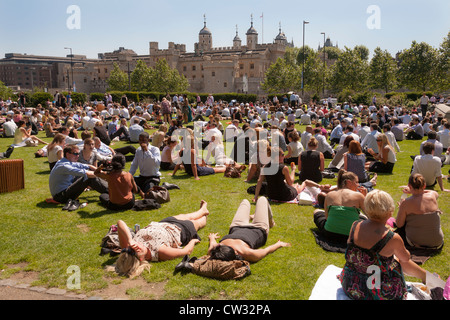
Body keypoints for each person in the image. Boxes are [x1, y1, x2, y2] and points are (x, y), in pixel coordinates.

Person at [338, 189, 429, 300]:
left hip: (351, 285)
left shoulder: (355, 225)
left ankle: (425, 276)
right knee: (397, 258)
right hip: (378, 292)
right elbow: (406, 258)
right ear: (390, 211)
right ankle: (426, 276)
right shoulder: (391, 238)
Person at [112, 201, 209, 278]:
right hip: (181, 230)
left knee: (189, 215)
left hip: (163, 223)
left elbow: (120, 222)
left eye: (129, 249)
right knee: (200, 222)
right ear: (141, 259)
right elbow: (185, 251)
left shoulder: (130, 247)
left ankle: (203, 209)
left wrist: (129, 240)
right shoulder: (160, 252)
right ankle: (204, 214)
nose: (134, 247)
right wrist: (193, 241)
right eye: (135, 251)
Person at [206, 197, 290, 263]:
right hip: (258, 227)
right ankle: (271, 223)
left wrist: (212, 237)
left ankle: (250, 217)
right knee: (262, 199)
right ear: (236, 253)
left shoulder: (215, 251)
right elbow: (266, 250)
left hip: (237, 226)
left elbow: (212, 244)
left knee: (245, 202)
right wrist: (279, 244)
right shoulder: (247, 253)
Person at [313, 169, 367, 243]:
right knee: (363, 217)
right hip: (351, 235)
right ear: (349, 182)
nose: (358, 185)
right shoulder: (358, 196)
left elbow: (327, 217)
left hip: (330, 233)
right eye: (356, 182)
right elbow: (370, 215)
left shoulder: (329, 195)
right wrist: (365, 197)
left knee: (316, 211)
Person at [49, 144, 109, 211]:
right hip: (60, 196)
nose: (78, 156)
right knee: (88, 178)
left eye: (78, 153)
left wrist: (101, 171)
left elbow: (88, 166)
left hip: (63, 191)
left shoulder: (66, 161)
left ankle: (111, 189)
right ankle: (111, 191)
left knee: (88, 174)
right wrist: (105, 176)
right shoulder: (64, 166)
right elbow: (88, 174)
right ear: (67, 154)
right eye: (75, 154)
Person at [396, 174, 444, 249]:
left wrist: (401, 208)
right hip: (437, 242)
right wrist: (418, 189)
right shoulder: (432, 196)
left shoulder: (406, 203)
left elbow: (399, 224)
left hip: (415, 242)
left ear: (409, 185)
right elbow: (434, 192)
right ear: (424, 186)